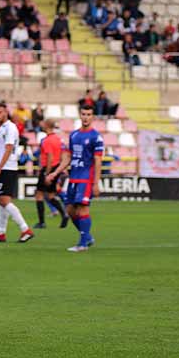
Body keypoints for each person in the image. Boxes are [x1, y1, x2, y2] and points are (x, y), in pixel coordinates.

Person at [52, 105, 104, 252]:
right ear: (80, 116)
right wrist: (55, 172)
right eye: (83, 114)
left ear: (92, 117)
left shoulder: (96, 137)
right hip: (73, 178)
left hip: (86, 179)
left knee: (82, 210)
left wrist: (96, 183)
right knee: (69, 210)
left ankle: (82, 244)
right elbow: (68, 157)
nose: (86, 117)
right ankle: (87, 237)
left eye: (89, 114)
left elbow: (98, 161)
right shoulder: (74, 135)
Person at [0, 102, 34, 243]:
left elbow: (8, 149)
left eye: (0, 112)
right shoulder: (2, 128)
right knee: (2, 201)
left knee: (4, 200)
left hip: (7, 168)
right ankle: (1, 233)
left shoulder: (10, 128)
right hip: (5, 167)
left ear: (6, 112)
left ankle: (25, 229)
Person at [34, 119, 67, 229]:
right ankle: (64, 214)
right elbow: (62, 155)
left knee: (39, 194)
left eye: (43, 123)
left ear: (47, 125)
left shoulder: (47, 140)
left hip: (48, 169)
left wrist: (47, 173)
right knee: (51, 195)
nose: (41, 124)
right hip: (57, 167)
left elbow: (49, 156)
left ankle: (41, 222)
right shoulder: (58, 139)